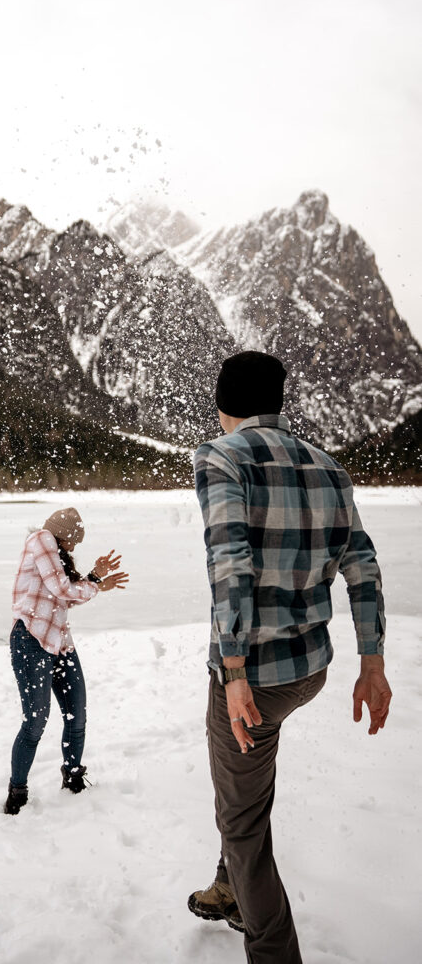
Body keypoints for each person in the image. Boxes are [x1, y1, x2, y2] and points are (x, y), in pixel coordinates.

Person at [188, 351, 392, 963]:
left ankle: (273, 952)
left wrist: (232, 674)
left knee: (244, 821)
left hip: (255, 677)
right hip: (312, 670)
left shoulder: (221, 457)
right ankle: (229, 890)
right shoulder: (328, 466)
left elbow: (230, 568)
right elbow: (363, 566)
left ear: (224, 403)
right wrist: (373, 663)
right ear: (276, 403)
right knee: (245, 792)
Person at [4, 507, 129, 815]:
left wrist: (95, 577)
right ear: (64, 532)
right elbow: (63, 591)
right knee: (35, 722)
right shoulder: (42, 539)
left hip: (59, 643)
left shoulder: (56, 553)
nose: (76, 545)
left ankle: (73, 779)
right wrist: (97, 585)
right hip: (32, 640)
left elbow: (65, 597)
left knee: (77, 714)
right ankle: (17, 792)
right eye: (75, 538)